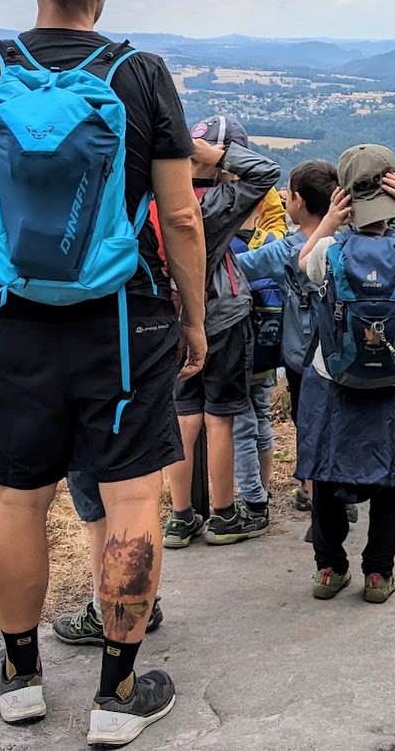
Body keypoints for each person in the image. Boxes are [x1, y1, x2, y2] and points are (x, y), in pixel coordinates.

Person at [0, 0, 206, 746]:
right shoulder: (140, 74)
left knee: (19, 498)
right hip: (123, 321)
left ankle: (20, 677)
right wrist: (194, 321)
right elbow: (183, 215)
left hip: (18, 318)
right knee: (130, 498)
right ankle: (118, 694)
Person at [297, 145, 395, 603]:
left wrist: (329, 220)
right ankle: (379, 575)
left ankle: (330, 570)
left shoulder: (329, 250)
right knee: (390, 477)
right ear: (393, 192)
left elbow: (302, 261)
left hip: (336, 380)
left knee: (327, 471)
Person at [162, 116, 280, 548]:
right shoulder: (221, 200)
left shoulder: (159, 196)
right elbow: (267, 173)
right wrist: (224, 157)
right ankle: (225, 514)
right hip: (223, 315)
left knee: (184, 416)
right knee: (222, 416)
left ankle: (179, 517)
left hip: (171, 320)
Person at [234, 161, 348, 535]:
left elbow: (236, 268)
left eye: (288, 191)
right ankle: (341, 489)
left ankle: (316, 491)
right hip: (345, 351)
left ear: (298, 201)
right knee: (339, 419)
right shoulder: (347, 242)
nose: (284, 196)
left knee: (307, 422)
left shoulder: (286, 249)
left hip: (303, 356)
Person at [230, 190, 287, 527]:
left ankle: (252, 499)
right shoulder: (272, 242)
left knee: (241, 424)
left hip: (236, 352)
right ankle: (262, 491)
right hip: (269, 350)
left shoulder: (225, 245)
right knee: (261, 418)